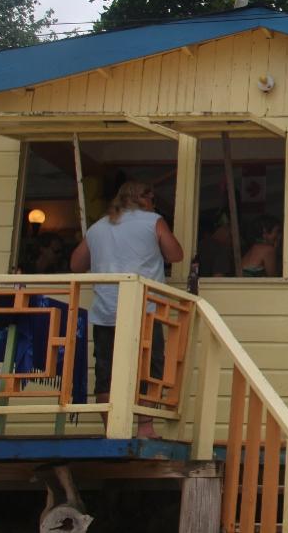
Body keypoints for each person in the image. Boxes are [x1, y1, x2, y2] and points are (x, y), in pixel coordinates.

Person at [69, 181, 183, 438]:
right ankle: (145, 427)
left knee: (106, 372)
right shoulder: (153, 221)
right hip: (144, 309)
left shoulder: (99, 226)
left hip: (106, 311)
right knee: (149, 369)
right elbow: (176, 255)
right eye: (153, 199)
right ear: (145, 199)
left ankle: (112, 430)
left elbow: (76, 264)